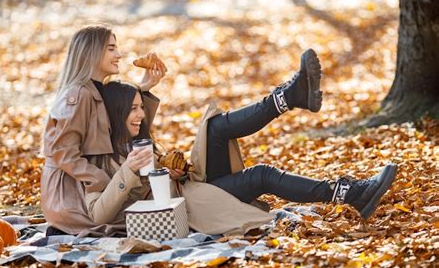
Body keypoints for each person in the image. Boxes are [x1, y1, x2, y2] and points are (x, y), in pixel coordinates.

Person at [92, 49, 397, 236]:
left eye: (140, 107)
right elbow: (98, 214)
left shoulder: (137, 136)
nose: (140, 114)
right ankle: (350, 193)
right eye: (132, 109)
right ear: (117, 113)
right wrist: (128, 172)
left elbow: (153, 163)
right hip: (187, 208)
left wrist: (174, 172)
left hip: (189, 185)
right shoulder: (102, 154)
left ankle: (290, 96)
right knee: (262, 175)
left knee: (215, 127)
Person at [40, 24, 166, 236]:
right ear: (91, 53)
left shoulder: (94, 89)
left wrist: (143, 89)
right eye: (111, 48)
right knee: (150, 210)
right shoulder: (79, 94)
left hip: (90, 183)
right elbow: (63, 152)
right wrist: (104, 182)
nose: (119, 54)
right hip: (70, 196)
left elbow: (119, 126)